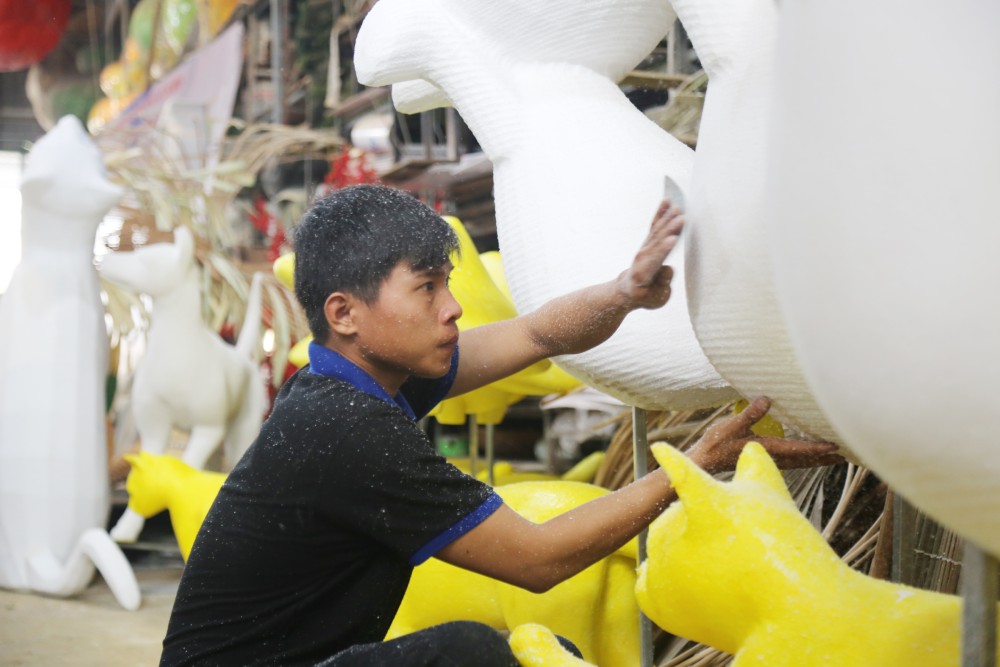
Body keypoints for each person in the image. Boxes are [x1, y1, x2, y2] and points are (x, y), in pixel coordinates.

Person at [160, 184, 840, 666]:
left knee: (539, 653)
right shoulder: (347, 428)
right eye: (426, 287)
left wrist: (624, 291)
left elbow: (537, 333)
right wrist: (694, 465)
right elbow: (537, 560)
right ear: (344, 313)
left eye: (447, 284)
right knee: (469, 652)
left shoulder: (357, 382)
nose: (453, 307)